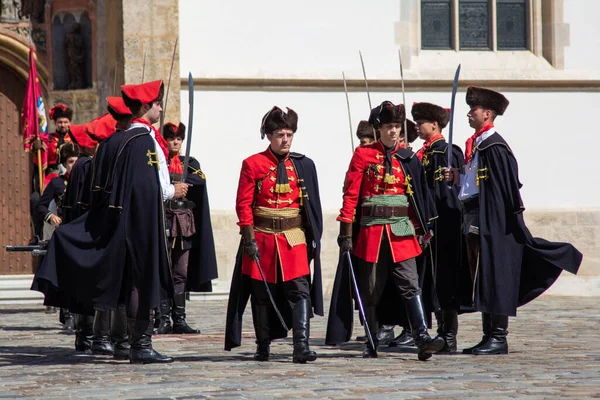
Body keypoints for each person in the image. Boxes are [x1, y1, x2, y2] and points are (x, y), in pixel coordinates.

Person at [32, 80, 180, 364]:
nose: (161, 108)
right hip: (139, 224)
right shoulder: (141, 140)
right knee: (139, 281)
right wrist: (174, 191)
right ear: (146, 106)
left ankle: (125, 342)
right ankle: (140, 344)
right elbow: (149, 188)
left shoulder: (123, 140)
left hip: (122, 223)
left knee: (127, 281)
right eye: (158, 103)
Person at [444, 86, 582, 355]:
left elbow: (503, 189)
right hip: (474, 217)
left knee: (494, 275)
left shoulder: (495, 146)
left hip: (491, 221)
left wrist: (493, 218)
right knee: (481, 276)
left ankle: (498, 337)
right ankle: (488, 336)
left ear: (487, 113)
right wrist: (458, 179)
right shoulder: (479, 145)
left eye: (473, 110)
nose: (468, 114)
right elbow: (477, 183)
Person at [326, 101, 443, 361]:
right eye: (388, 127)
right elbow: (351, 195)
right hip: (372, 232)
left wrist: (423, 229)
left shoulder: (408, 157)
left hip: (402, 232)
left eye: (397, 127)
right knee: (371, 289)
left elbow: (417, 197)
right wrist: (346, 231)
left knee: (410, 285)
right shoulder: (363, 155)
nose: (393, 132)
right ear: (379, 128)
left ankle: (422, 336)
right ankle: (371, 338)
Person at [225, 106, 324, 364]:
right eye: (280, 134)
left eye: (289, 134)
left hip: (293, 238)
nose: (286, 140)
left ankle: (301, 346)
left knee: (300, 291)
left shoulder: (302, 165)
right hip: (263, 237)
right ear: (269, 136)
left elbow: (309, 205)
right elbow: (243, 203)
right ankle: (262, 345)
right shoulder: (253, 164)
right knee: (261, 294)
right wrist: (248, 239)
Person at [405, 101, 465, 353]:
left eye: (420, 123)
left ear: (435, 124)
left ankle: (448, 335)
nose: (417, 127)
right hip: (424, 225)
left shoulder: (448, 152)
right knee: (426, 279)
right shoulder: (421, 153)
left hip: (444, 226)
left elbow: (449, 193)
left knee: (445, 278)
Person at [155, 122, 218, 335]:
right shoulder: (158, 162)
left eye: (178, 139)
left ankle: (179, 319)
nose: (175, 142)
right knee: (163, 269)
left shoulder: (189, 163)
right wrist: (172, 184)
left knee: (180, 271)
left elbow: (199, 180)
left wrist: (176, 177)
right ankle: (162, 318)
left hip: (184, 223)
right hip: (163, 220)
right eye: (172, 138)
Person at [47, 104, 74, 173]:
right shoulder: (48, 139)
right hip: (52, 172)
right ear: (55, 123)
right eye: (60, 122)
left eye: (65, 122)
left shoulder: (74, 138)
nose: (63, 125)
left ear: (70, 123)